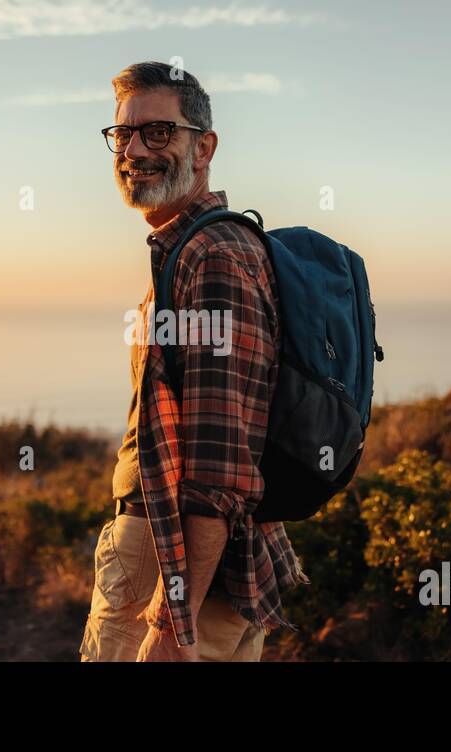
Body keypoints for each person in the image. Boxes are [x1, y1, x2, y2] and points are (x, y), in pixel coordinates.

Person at [79, 61, 306, 663]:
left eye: (158, 133)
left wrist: (170, 622)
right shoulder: (190, 248)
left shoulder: (213, 258)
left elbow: (219, 463)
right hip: (185, 562)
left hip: (173, 564)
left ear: (203, 147)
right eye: (122, 134)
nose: (133, 150)